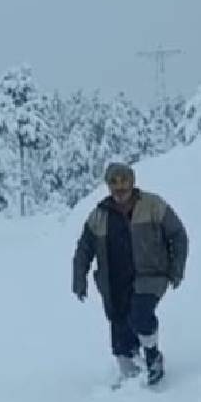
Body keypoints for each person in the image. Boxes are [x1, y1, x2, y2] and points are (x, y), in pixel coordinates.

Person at [72, 162, 188, 386]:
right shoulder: (99, 216)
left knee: (140, 315)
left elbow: (178, 235)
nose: (120, 188)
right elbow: (84, 249)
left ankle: (153, 357)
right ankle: (130, 380)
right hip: (114, 280)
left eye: (124, 182)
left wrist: (176, 268)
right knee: (119, 327)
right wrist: (79, 279)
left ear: (132, 182)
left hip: (151, 275)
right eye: (114, 183)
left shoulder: (153, 205)